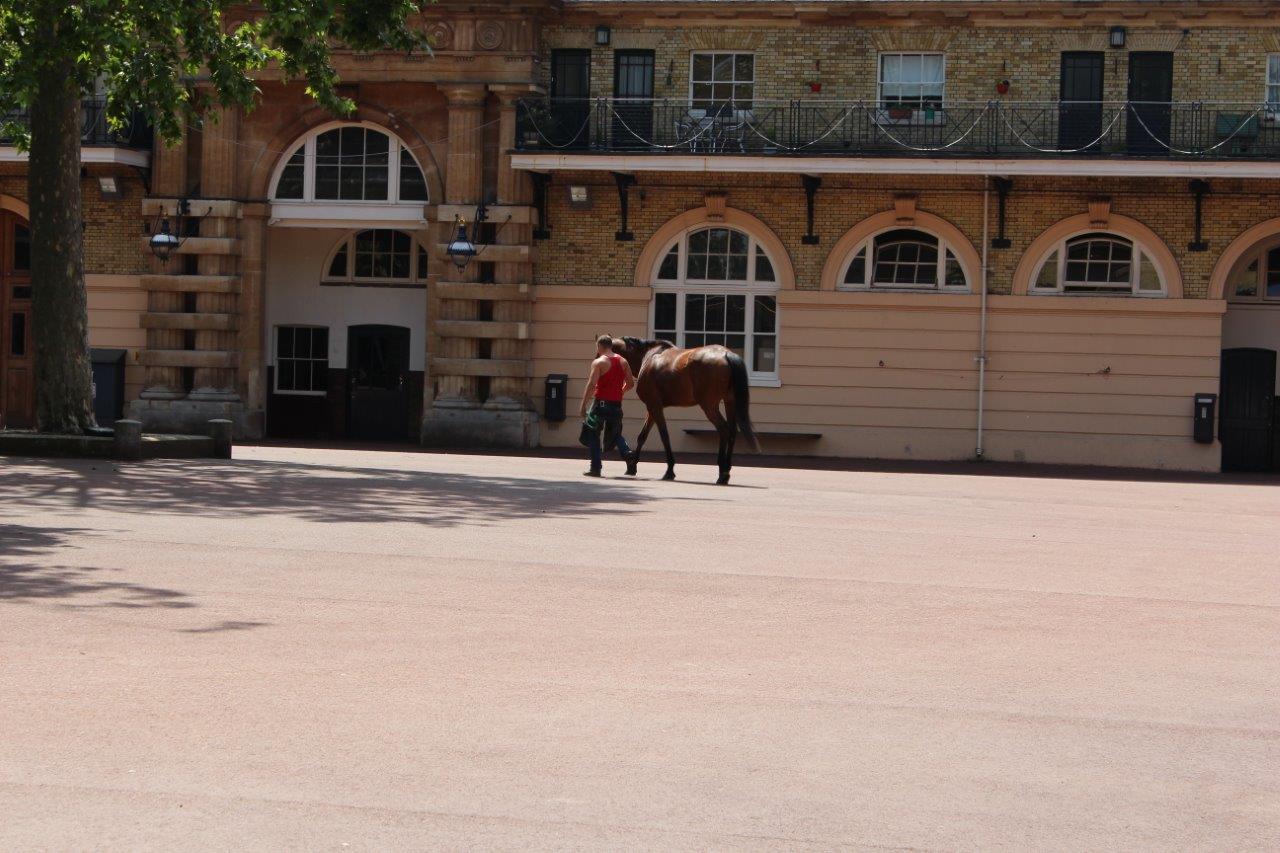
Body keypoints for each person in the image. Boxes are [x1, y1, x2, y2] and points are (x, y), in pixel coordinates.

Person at [579, 334, 636, 477]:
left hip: (600, 405)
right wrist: (620, 392)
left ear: (600, 346)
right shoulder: (623, 361)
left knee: (593, 433)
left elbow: (592, 385)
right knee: (616, 434)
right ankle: (628, 454)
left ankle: (595, 468)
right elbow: (630, 383)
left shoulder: (599, 362)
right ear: (611, 345)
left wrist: (583, 404)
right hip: (616, 404)